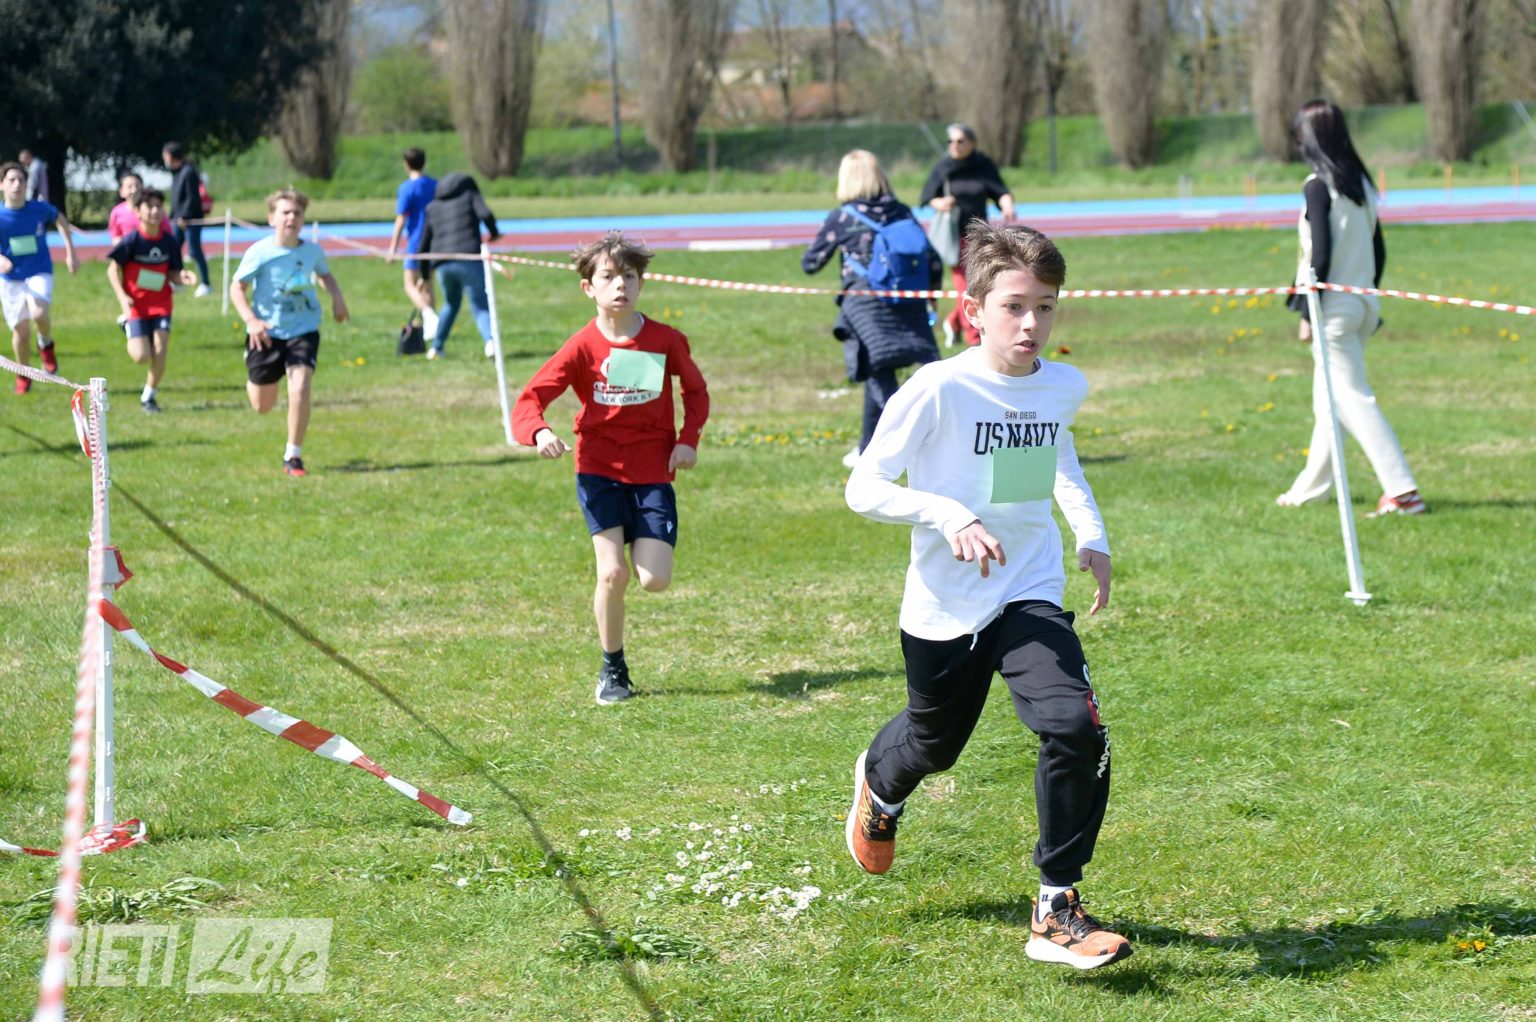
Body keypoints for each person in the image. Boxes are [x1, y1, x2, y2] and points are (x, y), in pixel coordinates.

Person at [843, 221, 1130, 971]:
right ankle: (880, 784)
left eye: (1045, 307)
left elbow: (1057, 456)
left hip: (1028, 589)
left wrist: (1090, 534)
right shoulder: (938, 388)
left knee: (1076, 725)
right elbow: (864, 486)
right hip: (946, 603)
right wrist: (947, 513)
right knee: (934, 743)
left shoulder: (1062, 386)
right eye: (1013, 307)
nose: (1031, 323)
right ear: (973, 310)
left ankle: (1056, 907)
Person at [511, 233, 709, 706]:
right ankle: (612, 669)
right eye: (609, 277)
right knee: (612, 574)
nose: (620, 285)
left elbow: (696, 392)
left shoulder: (664, 340)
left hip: (652, 471)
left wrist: (687, 440)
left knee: (654, 579)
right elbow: (529, 400)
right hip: (598, 469)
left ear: (641, 284)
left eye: (629, 276)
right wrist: (539, 433)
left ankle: (639, 541)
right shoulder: (581, 346)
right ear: (589, 288)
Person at [1276, 100, 1423, 517]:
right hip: (1361, 304)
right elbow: (1379, 251)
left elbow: (1319, 256)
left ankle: (1404, 492)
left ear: (1309, 139)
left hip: (1334, 310)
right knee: (1329, 403)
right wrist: (1365, 296)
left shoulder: (1317, 186)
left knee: (1354, 399)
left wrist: (1308, 313)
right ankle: (1311, 489)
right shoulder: (1361, 184)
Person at [802, 150, 942, 468]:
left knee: (878, 370)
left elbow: (811, 263)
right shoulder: (902, 211)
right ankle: (867, 448)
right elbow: (931, 258)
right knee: (898, 367)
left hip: (864, 301)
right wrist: (930, 296)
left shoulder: (842, 217)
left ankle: (914, 440)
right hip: (907, 298)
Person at [229, 189, 349, 477]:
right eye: (285, 213)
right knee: (262, 405)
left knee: (300, 388)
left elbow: (325, 275)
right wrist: (251, 320)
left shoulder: (312, 251)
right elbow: (237, 288)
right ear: (272, 218)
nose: (291, 218)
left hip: (303, 329)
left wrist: (337, 298)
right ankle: (255, 367)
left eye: (297, 213)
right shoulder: (259, 252)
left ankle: (293, 455)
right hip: (266, 332)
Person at [917, 123, 1015, 348]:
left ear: (972, 143)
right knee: (967, 287)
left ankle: (953, 322)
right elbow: (928, 196)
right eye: (950, 141)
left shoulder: (983, 165)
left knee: (982, 283)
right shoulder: (943, 166)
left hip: (980, 237)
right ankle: (975, 341)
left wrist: (1007, 203)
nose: (954, 145)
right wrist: (940, 203)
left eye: (960, 141)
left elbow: (999, 191)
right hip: (956, 238)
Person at [106, 188, 197, 414]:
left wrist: (183, 276)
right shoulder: (131, 241)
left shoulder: (169, 241)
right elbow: (112, 270)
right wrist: (122, 297)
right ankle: (127, 324)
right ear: (137, 211)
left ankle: (149, 396)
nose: (155, 211)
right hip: (136, 306)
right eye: (150, 206)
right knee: (141, 356)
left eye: (159, 206)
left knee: (160, 349)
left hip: (161, 304)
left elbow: (173, 273)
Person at [0, 161, 78, 394]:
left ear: (27, 184)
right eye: (11, 180)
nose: (17, 185)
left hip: (38, 270)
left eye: (21, 180)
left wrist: (71, 253)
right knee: (21, 331)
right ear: (2, 184)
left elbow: (60, 219)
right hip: (10, 278)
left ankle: (45, 343)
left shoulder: (39, 209)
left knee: (39, 313)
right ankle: (23, 373)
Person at [417, 172, 501, 360]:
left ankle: (436, 347)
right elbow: (485, 214)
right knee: (480, 304)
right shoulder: (469, 195)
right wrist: (494, 233)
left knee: (451, 304)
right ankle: (490, 342)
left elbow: (423, 246)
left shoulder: (433, 207)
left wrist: (425, 276)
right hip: (468, 257)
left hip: (442, 264)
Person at [385, 147, 439, 342]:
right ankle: (431, 328)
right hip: (434, 240)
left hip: (416, 241)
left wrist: (392, 249)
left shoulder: (407, 188)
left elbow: (401, 219)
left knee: (409, 285)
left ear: (406, 164)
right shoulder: (435, 184)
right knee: (427, 284)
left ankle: (429, 315)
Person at [162, 141, 212, 296]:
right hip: (178, 220)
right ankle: (179, 281)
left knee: (194, 250)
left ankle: (206, 283)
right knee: (174, 249)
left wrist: (184, 216)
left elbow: (192, 198)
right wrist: (172, 215)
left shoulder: (188, 172)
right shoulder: (176, 172)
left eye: (166, 155)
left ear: (172, 156)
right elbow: (176, 198)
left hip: (191, 220)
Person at [107, 172, 144, 243]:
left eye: (137, 186)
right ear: (121, 191)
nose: (134, 190)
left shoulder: (153, 209)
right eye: (129, 187)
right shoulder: (116, 212)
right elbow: (115, 238)